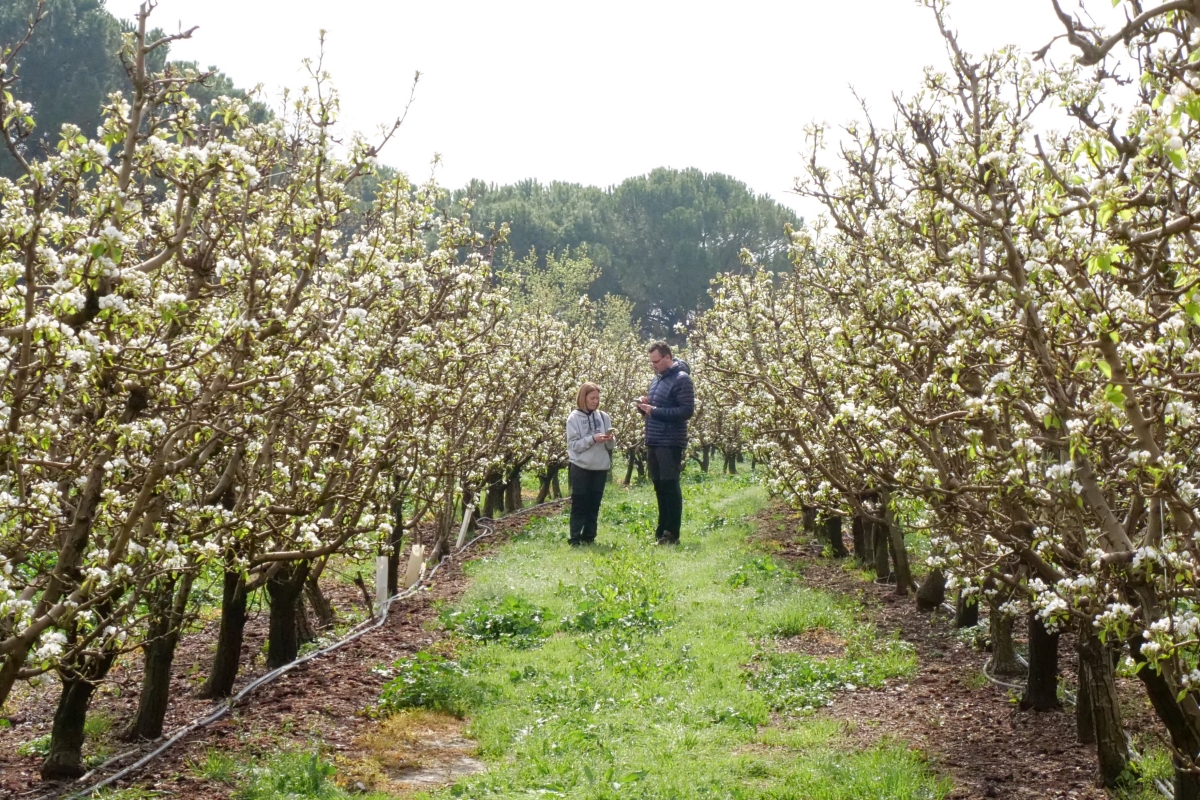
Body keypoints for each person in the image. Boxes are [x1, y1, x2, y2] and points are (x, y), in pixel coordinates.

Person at [637, 341, 694, 545]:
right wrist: (645, 406)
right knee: (660, 486)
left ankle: (672, 533)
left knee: (670, 485)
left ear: (668, 357)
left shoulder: (682, 379)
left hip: (670, 441)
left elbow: (686, 411)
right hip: (654, 439)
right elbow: (656, 407)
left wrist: (654, 410)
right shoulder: (658, 379)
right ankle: (662, 530)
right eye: (651, 362)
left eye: (656, 361)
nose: (653, 365)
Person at [566, 381, 615, 546]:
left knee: (594, 504)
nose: (595, 401)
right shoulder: (574, 418)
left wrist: (610, 439)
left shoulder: (603, 417)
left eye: (597, 398)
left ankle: (589, 537)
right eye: (592, 398)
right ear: (583, 398)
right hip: (581, 467)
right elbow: (573, 446)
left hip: (600, 467)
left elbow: (611, 446)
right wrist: (592, 439)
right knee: (580, 503)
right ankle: (574, 539)